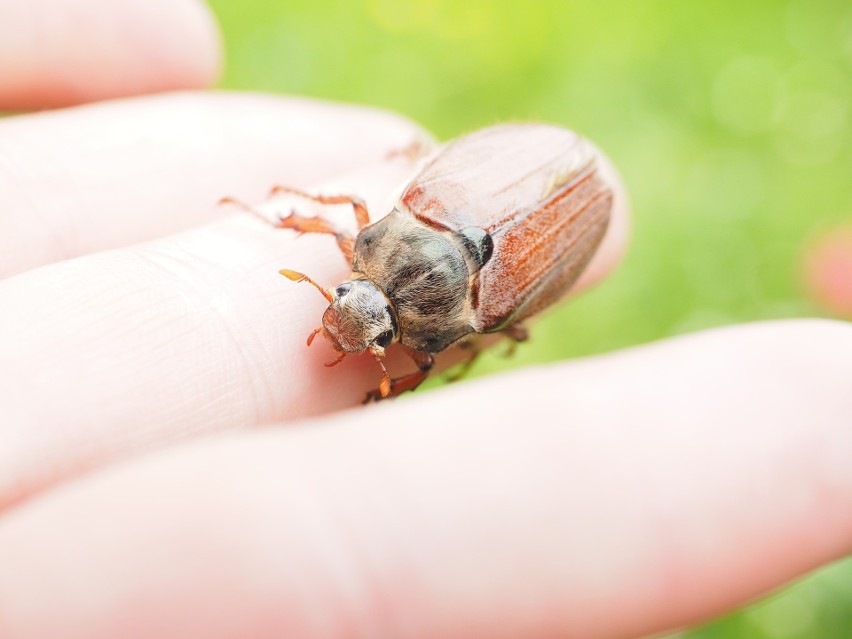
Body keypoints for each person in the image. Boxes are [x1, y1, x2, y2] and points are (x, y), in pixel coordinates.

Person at [0, 1, 849, 637]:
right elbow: (342, 223)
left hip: (541, 204)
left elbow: (401, 310)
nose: (346, 320)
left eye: (355, 320)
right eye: (350, 309)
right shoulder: (385, 234)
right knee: (357, 224)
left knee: (401, 259)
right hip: (497, 188)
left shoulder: (449, 306)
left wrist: (397, 371)